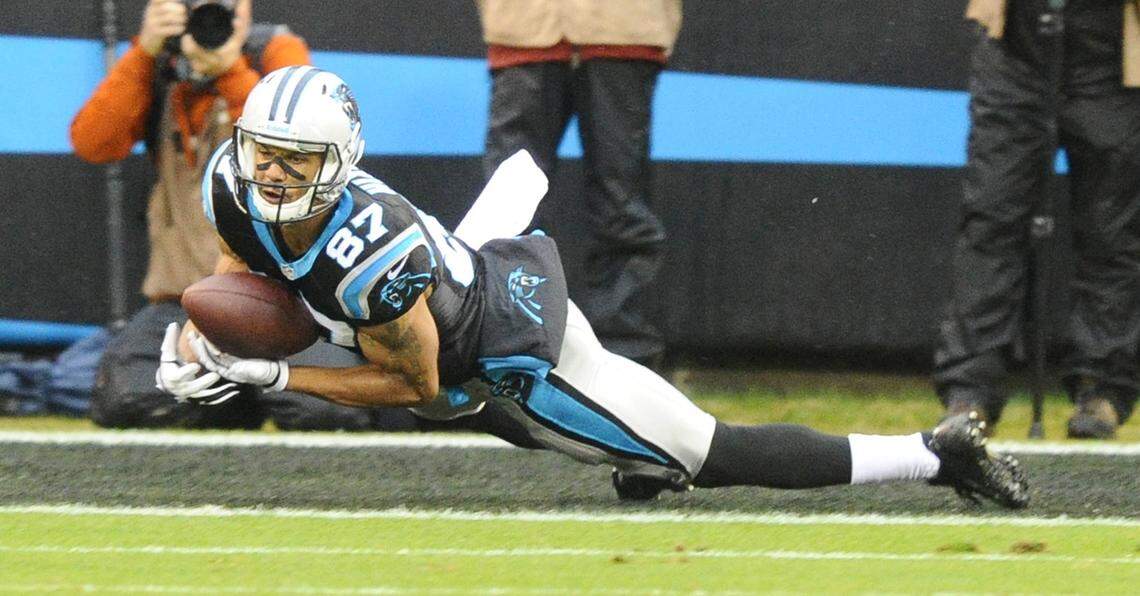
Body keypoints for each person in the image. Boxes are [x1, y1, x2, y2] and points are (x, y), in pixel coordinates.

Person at [155, 66, 1030, 508]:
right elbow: (244, 263)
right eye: (262, 149)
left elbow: (420, 388)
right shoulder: (232, 183)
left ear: (339, 165)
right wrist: (208, 334)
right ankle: (629, 455)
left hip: (506, 346)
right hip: (460, 295)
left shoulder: (375, 260)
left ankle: (932, 453)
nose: (269, 174)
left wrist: (273, 375)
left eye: (294, 159)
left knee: (708, 452)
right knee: (538, 428)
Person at [70, 0, 416, 431]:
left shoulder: (276, 56)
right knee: (126, 398)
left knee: (326, 413)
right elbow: (93, 142)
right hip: (185, 299)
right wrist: (144, 52)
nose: (212, 17)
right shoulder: (159, 67)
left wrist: (231, 70)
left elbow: (293, 148)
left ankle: (256, 388)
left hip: (292, 305)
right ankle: (237, 395)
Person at [934, 0, 1140, 439]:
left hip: (1112, 48)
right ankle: (971, 392)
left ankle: (1103, 388)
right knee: (991, 219)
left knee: (1111, 231)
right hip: (1018, 44)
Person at [474, 0, 680, 370]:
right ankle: (502, 355)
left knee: (622, 209)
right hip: (524, 24)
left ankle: (628, 368)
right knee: (505, 211)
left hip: (623, 24)